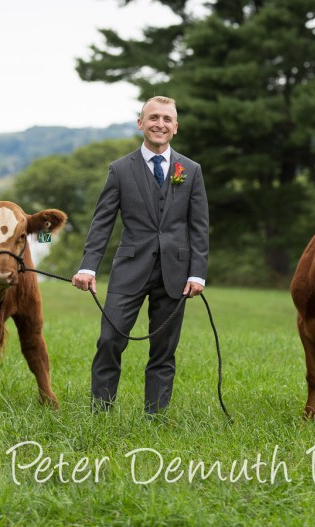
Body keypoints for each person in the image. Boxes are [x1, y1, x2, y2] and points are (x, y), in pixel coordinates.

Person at [72, 95, 210, 415]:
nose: (160, 124)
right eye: (153, 118)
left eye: (166, 119)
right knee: (109, 340)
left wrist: (197, 272)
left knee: (164, 350)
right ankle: (101, 413)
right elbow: (102, 222)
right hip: (129, 268)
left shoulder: (190, 170)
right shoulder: (120, 169)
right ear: (141, 123)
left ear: (175, 127)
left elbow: (199, 226)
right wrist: (88, 267)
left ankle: (155, 417)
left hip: (176, 273)